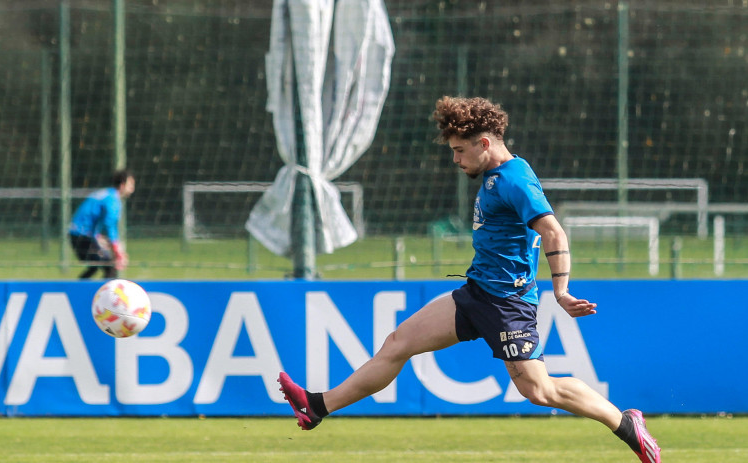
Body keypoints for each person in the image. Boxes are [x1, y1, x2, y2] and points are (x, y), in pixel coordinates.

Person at [277, 96, 661, 463]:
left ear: (484, 142)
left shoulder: (514, 180)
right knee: (397, 344)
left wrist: (560, 292)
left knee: (540, 390)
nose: (456, 159)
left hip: (508, 305)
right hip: (477, 294)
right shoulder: (497, 176)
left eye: (460, 151)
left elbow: (554, 233)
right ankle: (317, 406)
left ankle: (628, 425)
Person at [68, 169, 134, 279]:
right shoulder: (113, 199)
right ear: (122, 185)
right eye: (131, 185)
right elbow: (109, 225)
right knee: (109, 266)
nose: (132, 189)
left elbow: (89, 217)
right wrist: (117, 249)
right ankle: (104, 293)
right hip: (82, 236)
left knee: (95, 266)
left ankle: (80, 289)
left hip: (79, 234)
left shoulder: (105, 193)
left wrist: (99, 238)